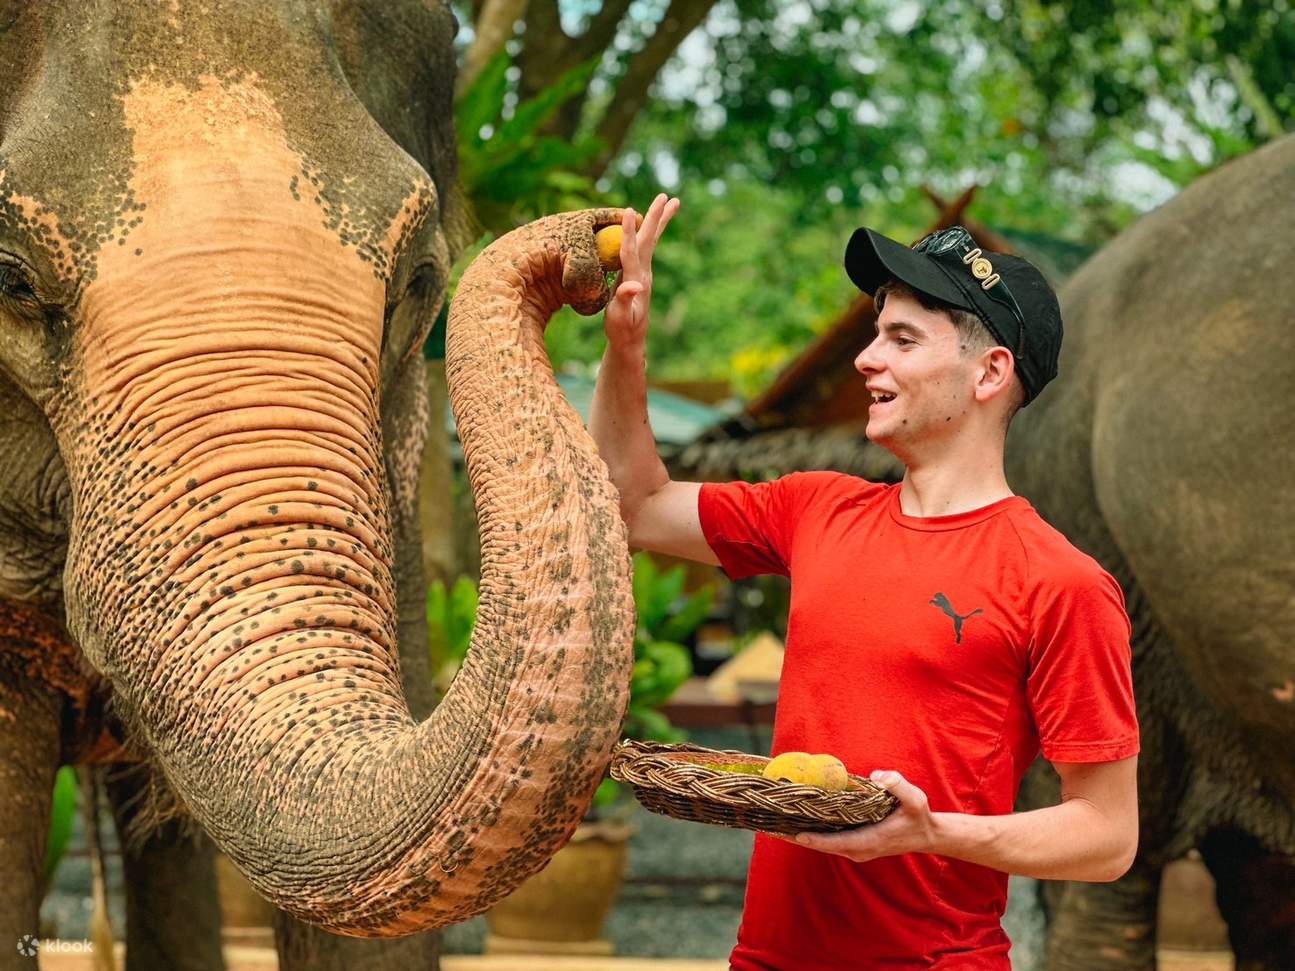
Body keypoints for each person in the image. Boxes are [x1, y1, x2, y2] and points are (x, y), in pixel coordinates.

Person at [590, 194, 1140, 970]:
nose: (865, 358)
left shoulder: (1060, 581)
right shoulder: (815, 506)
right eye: (875, 332)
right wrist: (627, 344)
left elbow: (1107, 835)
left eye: (902, 338)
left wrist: (933, 832)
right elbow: (634, 502)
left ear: (988, 372)